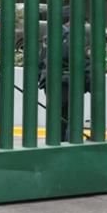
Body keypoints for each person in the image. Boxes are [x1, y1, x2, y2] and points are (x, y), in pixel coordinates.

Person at [37, 8, 91, 141]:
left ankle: (56, 147)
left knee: (57, 121)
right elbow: (83, 62)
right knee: (72, 122)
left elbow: (41, 59)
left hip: (50, 83)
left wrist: (40, 78)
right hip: (69, 83)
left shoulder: (50, 35)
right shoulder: (75, 36)